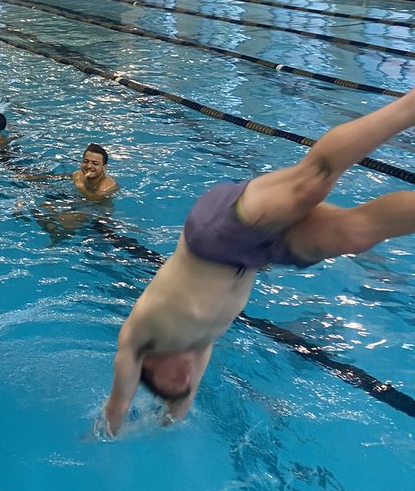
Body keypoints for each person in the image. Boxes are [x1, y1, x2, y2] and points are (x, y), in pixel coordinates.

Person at [102, 91, 415, 436]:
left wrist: (104, 442)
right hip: (260, 254)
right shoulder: (202, 345)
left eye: (169, 384)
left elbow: (116, 408)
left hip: (214, 233)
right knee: (354, 236)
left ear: (149, 368)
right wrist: (169, 416)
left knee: (311, 184)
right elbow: (179, 407)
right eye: (185, 385)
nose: (184, 380)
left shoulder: (138, 339)